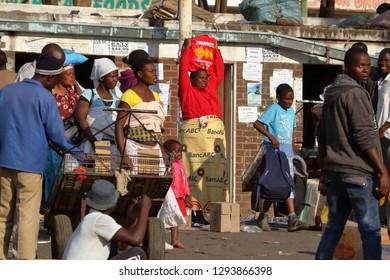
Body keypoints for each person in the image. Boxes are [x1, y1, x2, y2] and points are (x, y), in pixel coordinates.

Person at [0, 53, 83, 260]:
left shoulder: (7, 91)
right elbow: (57, 135)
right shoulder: (45, 97)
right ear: (49, 78)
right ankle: (24, 262)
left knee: (2, 214)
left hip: (3, 161)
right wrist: (78, 151)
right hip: (30, 166)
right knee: (27, 216)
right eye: (55, 80)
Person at [315, 47, 390, 260]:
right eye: (360, 65)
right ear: (347, 67)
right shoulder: (356, 93)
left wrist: (324, 170)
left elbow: (322, 135)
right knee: (371, 229)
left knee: (333, 229)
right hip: (357, 173)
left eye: (368, 65)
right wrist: (382, 170)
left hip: (336, 173)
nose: (366, 70)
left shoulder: (331, 93)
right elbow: (364, 136)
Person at [178, 38, 228, 216]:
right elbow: (183, 69)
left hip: (212, 140)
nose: (205, 81)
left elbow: (219, 72)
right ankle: (196, 213)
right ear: (192, 78)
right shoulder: (187, 90)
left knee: (213, 175)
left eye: (206, 78)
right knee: (193, 174)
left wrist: (216, 51)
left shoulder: (210, 89)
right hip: (194, 139)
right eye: (201, 77)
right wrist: (187, 50)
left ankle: (213, 211)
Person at [253, 83, 306, 232]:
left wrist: (294, 152)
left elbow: (292, 134)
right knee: (273, 185)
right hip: (273, 154)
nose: (290, 102)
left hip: (287, 154)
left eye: (292, 99)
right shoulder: (273, 109)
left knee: (288, 184)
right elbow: (257, 124)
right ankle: (263, 216)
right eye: (287, 99)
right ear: (278, 98)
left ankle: (291, 217)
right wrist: (271, 137)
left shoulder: (291, 112)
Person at [63, 179, 150, 260]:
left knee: (114, 249)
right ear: (113, 205)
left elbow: (122, 246)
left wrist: (131, 218)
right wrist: (145, 208)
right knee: (138, 253)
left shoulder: (91, 218)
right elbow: (136, 240)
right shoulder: (99, 219)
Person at [115, 57, 165, 172]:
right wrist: (124, 155)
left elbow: (157, 126)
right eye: (151, 72)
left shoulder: (155, 96)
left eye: (155, 72)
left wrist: (162, 150)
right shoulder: (129, 95)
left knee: (156, 185)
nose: (155, 75)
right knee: (135, 185)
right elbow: (119, 126)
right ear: (140, 74)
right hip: (134, 147)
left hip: (154, 148)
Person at [43, 64, 83, 202]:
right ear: (59, 76)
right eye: (69, 74)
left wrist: (75, 84)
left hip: (71, 143)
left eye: (74, 74)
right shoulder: (50, 95)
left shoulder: (72, 94)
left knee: (70, 177)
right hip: (52, 144)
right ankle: (49, 207)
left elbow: (83, 98)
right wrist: (54, 144)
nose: (72, 76)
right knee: (53, 175)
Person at [74, 58, 122, 154]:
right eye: (112, 77)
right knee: (95, 169)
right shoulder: (89, 94)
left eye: (116, 77)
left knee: (112, 169)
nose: (115, 80)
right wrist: (94, 142)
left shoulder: (118, 97)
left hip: (113, 145)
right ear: (101, 78)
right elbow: (80, 118)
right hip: (95, 142)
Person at [157, 140, 190, 249]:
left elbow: (184, 180)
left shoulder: (181, 166)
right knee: (164, 217)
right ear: (167, 153)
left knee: (176, 217)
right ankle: (161, 240)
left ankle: (174, 240)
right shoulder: (168, 165)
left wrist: (187, 193)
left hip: (180, 195)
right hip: (170, 195)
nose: (179, 154)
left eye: (180, 152)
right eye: (176, 152)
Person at [373, 47, 390, 226]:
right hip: (379, 134)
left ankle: (384, 218)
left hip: (386, 135)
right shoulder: (381, 81)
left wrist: (384, 127)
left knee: (385, 174)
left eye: (386, 60)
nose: (383, 63)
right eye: (381, 60)